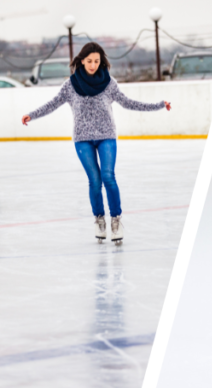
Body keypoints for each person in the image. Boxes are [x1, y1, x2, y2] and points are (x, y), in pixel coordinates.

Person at [21, 42, 171, 243]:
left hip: (107, 136)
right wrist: (32, 115)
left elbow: (129, 103)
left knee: (108, 177)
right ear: (82, 61)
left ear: (101, 62)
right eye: (89, 61)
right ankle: (99, 219)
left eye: (97, 61)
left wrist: (159, 105)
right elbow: (52, 104)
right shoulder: (70, 86)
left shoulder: (109, 84)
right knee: (94, 181)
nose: (93, 65)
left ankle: (116, 220)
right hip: (82, 140)